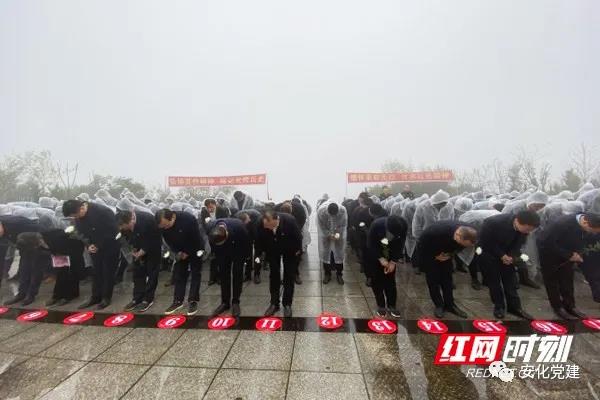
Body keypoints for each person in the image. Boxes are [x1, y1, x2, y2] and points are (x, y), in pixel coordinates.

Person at [537, 199, 600, 320]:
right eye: (591, 231)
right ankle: (557, 307)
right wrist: (569, 254)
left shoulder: (589, 220)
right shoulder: (562, 224)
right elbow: (545, 242)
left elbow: (584, 239)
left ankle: (570, 306)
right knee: (552, 281)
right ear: (585, 223)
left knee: (567, 279)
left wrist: (578, 253)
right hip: (549, 254)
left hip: (569, 253)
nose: (592, 233)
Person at [478, 210, 540, 319]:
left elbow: (518, 243)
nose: (528, 232)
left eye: (530, 230)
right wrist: (502, 255)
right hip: (489, 254)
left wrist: (511, 256)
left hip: (508, 255)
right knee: (494, 283)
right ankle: (499, 307)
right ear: (517, 221)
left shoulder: (525, 229)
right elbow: (486, 242)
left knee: (510, 281)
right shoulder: (492, 223)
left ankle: (515, 307)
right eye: (527, 229)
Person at [62, 199, 120, 309]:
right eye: (73, 217)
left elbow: (114, 231)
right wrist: (88, 245)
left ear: (81, 208)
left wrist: (98, 245)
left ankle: (106, 298)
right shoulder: (78, 217)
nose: (76, 218)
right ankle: (95, 297)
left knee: (107, 272)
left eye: (76, 215)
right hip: (94, 247)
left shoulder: (103, 212)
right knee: (96, 272)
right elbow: (81, 232)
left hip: (110, 246)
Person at [415, 221, 477, 318]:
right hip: (429, 254)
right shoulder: (435, 232)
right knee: (433, 281)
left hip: (446, 254)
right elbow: (421, 246)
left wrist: (450, 255)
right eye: (463, 244)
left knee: (447, 280)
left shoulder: (469, 231)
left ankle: (450, 305)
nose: (464, 246)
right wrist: (435, 256)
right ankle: (439, 305)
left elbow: (460, 247)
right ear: (458, 236)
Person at [156, 208, 205, 315]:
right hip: (180, 250)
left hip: (195, 248)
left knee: (195, 273)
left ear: (173, 217)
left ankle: (193, 300)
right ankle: (178, 301)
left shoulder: (188, 219)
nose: (165, 228)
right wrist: (178, 252)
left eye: (166, 225)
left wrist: (188, 252)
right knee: (179, 274)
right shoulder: (163, 225)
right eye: (162, 226)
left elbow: (196, 239)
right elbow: (168, 241)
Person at [256, 209, 302, 317]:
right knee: (274, 275)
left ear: (277, 220)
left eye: (269, 226)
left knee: (289, 276)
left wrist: (297, 252)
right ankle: (274, 303)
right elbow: (258, 240)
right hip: (272, 249)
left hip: (289, 249)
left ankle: (287, 304)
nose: (267, 228)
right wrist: (259, 255)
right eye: (265, 226)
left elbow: (298, 237)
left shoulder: (290, 221)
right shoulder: (261, 223)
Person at [117, 210, 162, 312]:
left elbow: (154, 238)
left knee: (152, 273)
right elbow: (126, 239)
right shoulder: (123, 224)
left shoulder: (148, 220)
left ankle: (148, 299)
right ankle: (137, 298)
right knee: (137, 273)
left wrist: (143, 251)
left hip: (153, 248)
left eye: (123, 226)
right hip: (137, 247)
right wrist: (133, 251)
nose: (121, 228)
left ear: (130, 221)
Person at [366, 215, 408, 317]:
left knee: (390, 279)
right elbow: (371, 244)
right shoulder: (377, 225)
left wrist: (393, 262)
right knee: (376, 279)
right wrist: (380, 258)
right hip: (377, 251)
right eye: (391, 233)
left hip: (392, 251)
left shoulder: (403, 225)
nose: (392, 236)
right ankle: (381, 305)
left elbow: (401, 244)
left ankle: (392, 305)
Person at [208, 218, 250, 317]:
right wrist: (215, 254)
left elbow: (247, 242)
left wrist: (247, 257)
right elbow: (212, 244)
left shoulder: (239, 227)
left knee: (237, 274)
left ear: (226, 234)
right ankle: (225, 302)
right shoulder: (210, 227)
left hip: (238, 250)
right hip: (221, 252)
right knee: (224, 275)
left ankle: (236, 302)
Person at [0, 215, 45, 305]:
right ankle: (21, 294)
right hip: (23, 244)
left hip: (36, 240)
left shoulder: (12, 222)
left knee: (35, 269)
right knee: (24, 269)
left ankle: (31, 295)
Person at [316, 201, 348, 285]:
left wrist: (337, 234)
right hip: (325, 235)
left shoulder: (342, 211)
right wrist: (328, 235)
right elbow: (321, 226)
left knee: (339, 254)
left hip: (338, 235)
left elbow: (343, 225)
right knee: (326, 253)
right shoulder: (321, 211)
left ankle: (339, 274)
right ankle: (327, 274)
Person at [236, 209, 263, 283]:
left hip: (258, 235)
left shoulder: (258, 220)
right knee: (248, 255)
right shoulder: (238, 221)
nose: (249, 220)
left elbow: (257, 235)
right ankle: (247, 275)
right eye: (248, 220)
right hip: (248, 236)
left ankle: (257, 274)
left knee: (257, 256)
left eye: (249, 219)